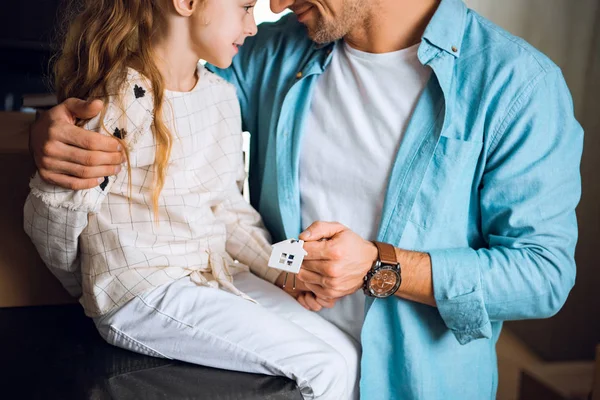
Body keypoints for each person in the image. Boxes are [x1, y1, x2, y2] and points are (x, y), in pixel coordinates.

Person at [29, 0, 584, 398]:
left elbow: (542, 275)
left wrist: (380, 266)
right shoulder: (276, 52)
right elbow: (152, 88)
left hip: (413, 383)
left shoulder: (517, 85)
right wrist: (52, 134)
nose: (273, 2)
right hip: (251, 352)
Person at [23, 0, 360, 399]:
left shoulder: (220, 96)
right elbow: (58, 215)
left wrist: (284, 270)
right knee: (323, 367)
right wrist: (91, 289)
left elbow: (228, 211)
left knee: (345, 353)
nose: (253, 26)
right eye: (246, 7)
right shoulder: (121, 99)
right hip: (142, 292)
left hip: (212, 277)